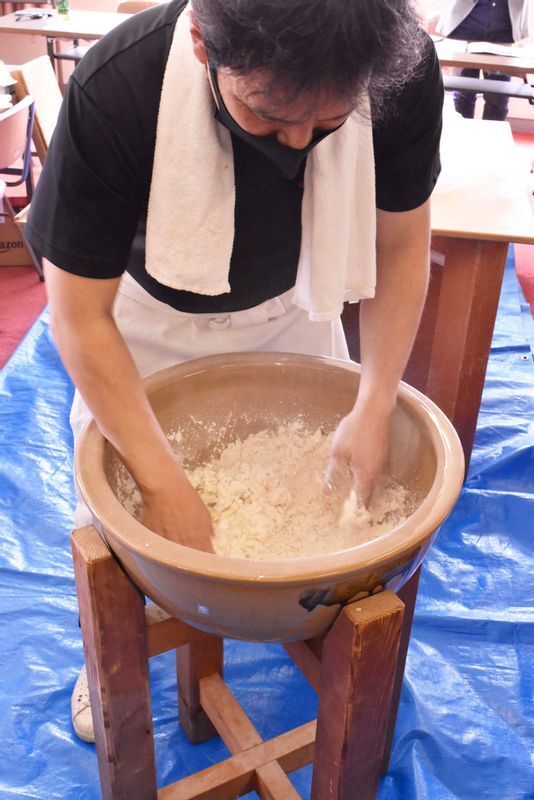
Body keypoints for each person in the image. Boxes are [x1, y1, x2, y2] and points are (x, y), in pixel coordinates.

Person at [26, 0, 443, 742]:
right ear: (200, 42)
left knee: (331, 479)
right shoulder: (120, 88)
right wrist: (160, 480)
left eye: (327, 124)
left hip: (294, 300)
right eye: (266, 113)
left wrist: (375, 402)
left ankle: (306, 629)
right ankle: (106, 662)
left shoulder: (392, 69)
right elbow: (78, 315)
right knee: (127, 523)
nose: (295, 144)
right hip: (145, 322)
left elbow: (402, 248)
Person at [436, 0, 530, 120]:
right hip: (465, 29)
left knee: (498, 98)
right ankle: (461, 136)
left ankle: (492, 138)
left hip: (503, 34)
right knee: (464, 93)